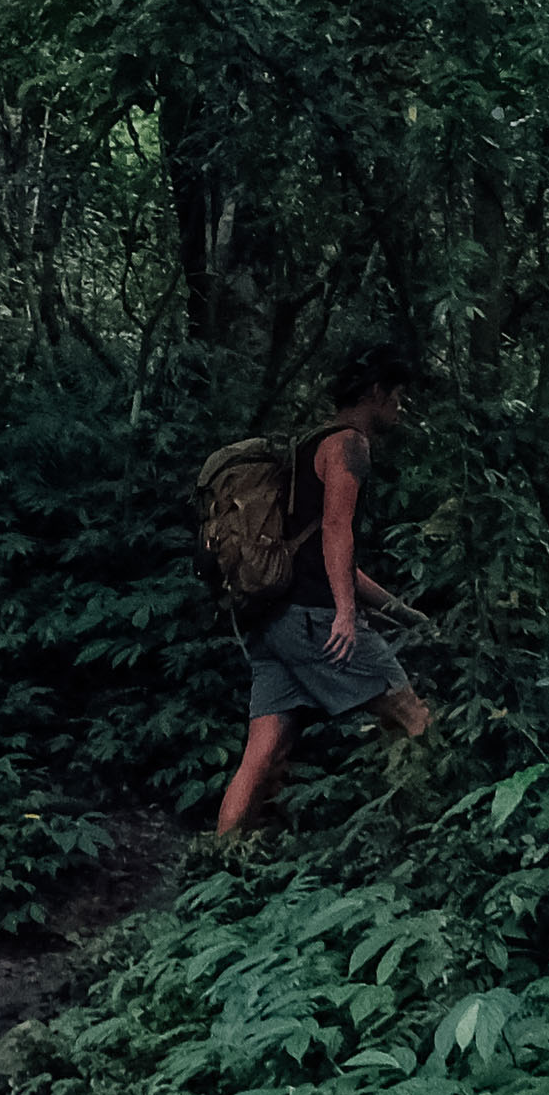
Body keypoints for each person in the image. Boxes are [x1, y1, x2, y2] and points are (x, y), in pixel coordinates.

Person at [213, 347, 434, 836]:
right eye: (396, 396)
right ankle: (428, 838)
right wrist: (344, 616)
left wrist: (401, 612)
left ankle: (217, 858)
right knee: (412, 714)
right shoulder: (350, 444)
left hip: (273, 619)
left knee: (262, 750)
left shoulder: (307, 446)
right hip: (313, 617)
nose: (400, 406)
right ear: (374, 392)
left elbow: (322, 552)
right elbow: (337, 530)